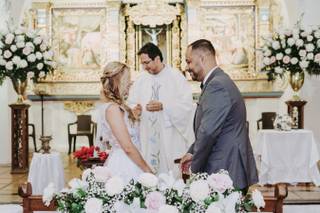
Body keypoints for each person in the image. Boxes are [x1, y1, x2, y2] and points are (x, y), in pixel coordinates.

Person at [180, 39, 258, 191]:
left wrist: (194, 167)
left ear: (202, 58)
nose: (186, 67)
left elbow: (208, 131)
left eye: (189, 61)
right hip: (227, 166)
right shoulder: (219, 81)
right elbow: (215, 127)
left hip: (225, 168)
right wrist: (192, 151)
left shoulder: (217, 85)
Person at [128, 42, 194, 177]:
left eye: (147, 62)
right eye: (143, 64)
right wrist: (136, 110)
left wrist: (164, 106)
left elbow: (186, 105)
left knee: (169, 171)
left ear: (157, 58)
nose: (144, 67)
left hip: (169, 135)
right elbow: (131, 103)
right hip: (147, 134)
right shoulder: (141, 79)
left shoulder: (176, 77)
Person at [96, 61, 153, 183]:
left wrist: (133, 116)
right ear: (118, 81)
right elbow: (127, 147)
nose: (130, 83)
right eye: (127, 79)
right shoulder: (112, 109)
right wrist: (148, 171)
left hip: (132, 160)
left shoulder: (118, 107)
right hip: (125, 164)